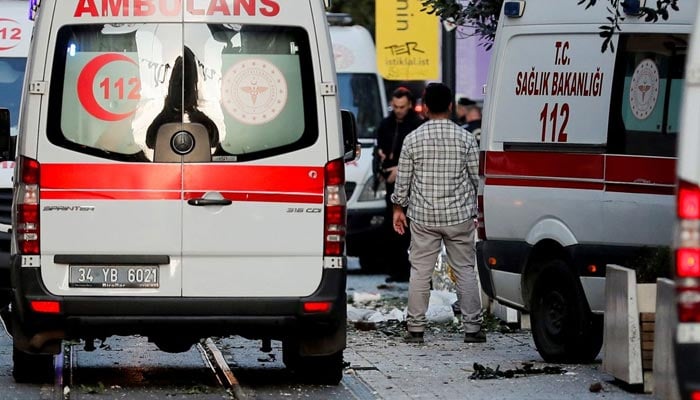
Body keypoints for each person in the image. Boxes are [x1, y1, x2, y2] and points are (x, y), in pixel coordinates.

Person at [391, 82, 485, 344]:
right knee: (465, 270)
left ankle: (416, 328)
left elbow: (403, 183)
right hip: (459, 218)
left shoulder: (413, 139)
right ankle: (473, 328)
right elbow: (476, 180)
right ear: (451, 106)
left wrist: (398, 208)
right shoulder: (466, 139)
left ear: (425, 107)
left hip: (423, 218)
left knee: (420, 272)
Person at [375, 87, 424, 282]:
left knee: (411, 226)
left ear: (410, 105)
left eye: (402, 107)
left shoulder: (416, 126)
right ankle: (396, 269)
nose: (398, 110)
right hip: (390, 180)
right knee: (392, 226)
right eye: (395, 106)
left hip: (411, 184)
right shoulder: (386, 124)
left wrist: (400, 169)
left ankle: (408, 269)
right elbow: (381, 147)